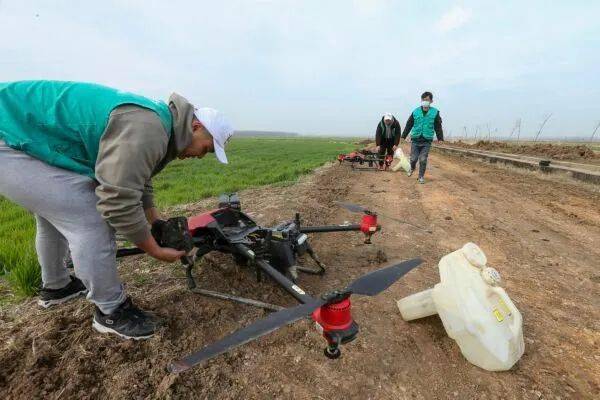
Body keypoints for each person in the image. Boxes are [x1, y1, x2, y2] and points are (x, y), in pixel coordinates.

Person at [0, 80, 234, 339]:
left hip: (21, 130)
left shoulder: (160, 123)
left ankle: (57, 287)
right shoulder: (150, 128)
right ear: (196, 127)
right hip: (7, 133)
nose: (202, 155)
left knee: (55, 211)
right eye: (208, 148)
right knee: (89, 216)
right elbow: (117, 201)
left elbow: (136, 175)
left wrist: (155, 220)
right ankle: (111, 311)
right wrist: (154, 250)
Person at [401, 91, 443, 183]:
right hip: (416, 139)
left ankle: (421, 176)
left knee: (423, 159)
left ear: (431, 101)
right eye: (423, 100)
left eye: (427, 100)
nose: (425, 101)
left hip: (426, 140)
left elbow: (438, 126)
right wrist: (403, 136)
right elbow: (409, 124)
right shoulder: (415, 111)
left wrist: (440, 138)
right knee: (413, 159)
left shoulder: (435, 112)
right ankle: (412, 168)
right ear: (421, 101)